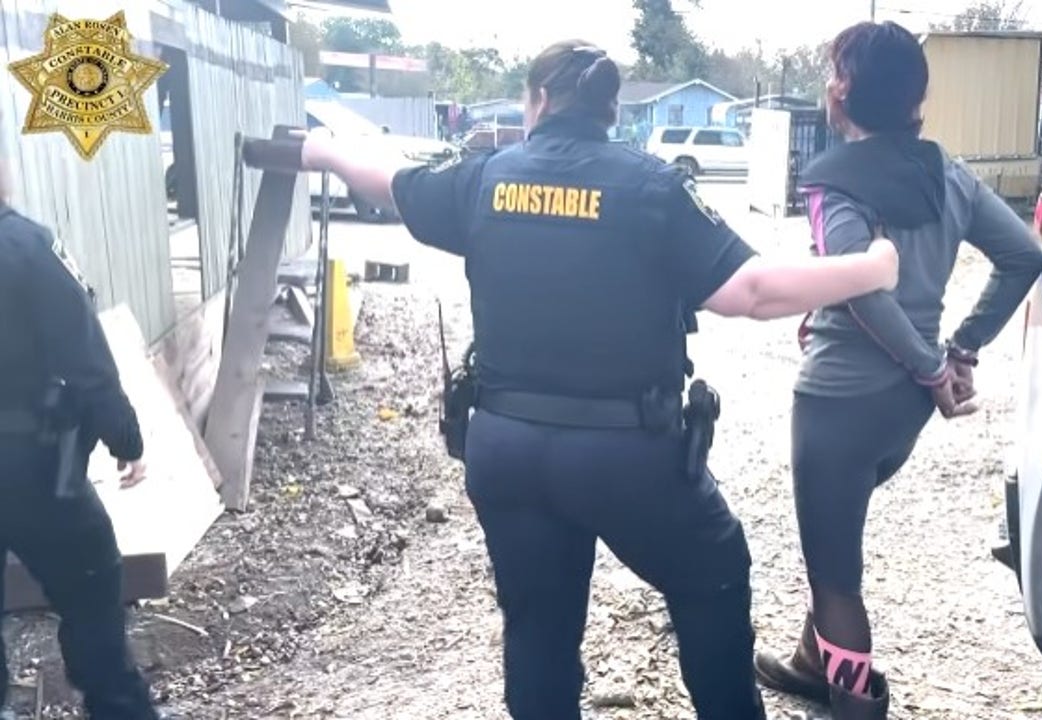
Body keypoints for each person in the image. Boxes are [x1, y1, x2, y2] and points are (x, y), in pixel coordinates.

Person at [276, 39, 901, 720]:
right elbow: (750, 291)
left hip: (507, 452)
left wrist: (320, 152)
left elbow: (389, 179)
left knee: (538, 629)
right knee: (713, 576)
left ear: (539, 100)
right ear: (609, 110)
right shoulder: (651, 187)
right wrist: (871, 268)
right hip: (628, 457)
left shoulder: (485, 179)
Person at [750, 20, 1042, 720]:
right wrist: (958, 351)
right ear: (917, 97)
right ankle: (811, 662)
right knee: (836, 540)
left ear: (843, 91)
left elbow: (862, 289)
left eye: (832, 75)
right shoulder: (947, 172)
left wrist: (933, 367)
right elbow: (1024, 256)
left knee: (835, 577)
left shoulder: (832, 183)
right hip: (899, 412)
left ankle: (854, 704)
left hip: (839, 404)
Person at [0, 164, 162, 718]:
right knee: (93, 582)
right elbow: (85, 356)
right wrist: (125, 438)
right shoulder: (26, 248)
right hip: (31, 469)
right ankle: (118, 707)